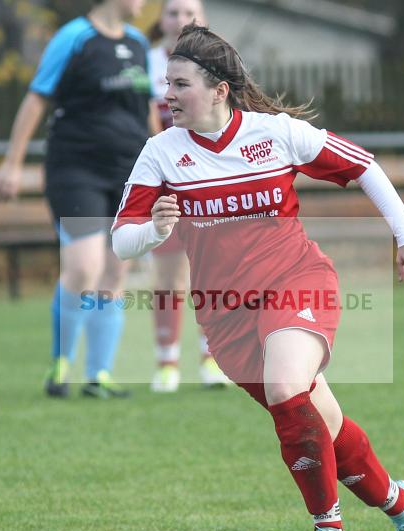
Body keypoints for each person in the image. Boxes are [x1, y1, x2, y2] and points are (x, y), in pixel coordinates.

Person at [112, 25, 404, 531]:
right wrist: (155, 230)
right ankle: (401, 506)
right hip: (226, 314)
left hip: (297, 280)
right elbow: (122, 239)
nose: (167, 94)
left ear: (218, 89)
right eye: (166, 83)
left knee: (289, 386)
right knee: (325, 424)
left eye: (180, 84)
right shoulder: (160, 153)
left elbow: (364, 166)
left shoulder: (276, 134)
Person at [0, 0, 151, 399]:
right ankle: (61, 364)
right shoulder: (73, 37)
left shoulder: (138, 44)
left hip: (128, 175)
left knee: (115, 273)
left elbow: (147, 109)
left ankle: (99, 374)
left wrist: (161, 162)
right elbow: (36, 98)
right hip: (76, 171)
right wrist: (12, 164)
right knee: (84, 267)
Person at [146, 0, 229, 392]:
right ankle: (167, 362)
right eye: (173, 12)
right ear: (161, 19)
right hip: (164, 180)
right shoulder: (144, 62)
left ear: (204, 21)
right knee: (168, 275)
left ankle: (212, 357)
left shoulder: (219, 68)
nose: (180, 20)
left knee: (211, 271)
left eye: (189, 13)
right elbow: (150, 128)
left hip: (208, 181)